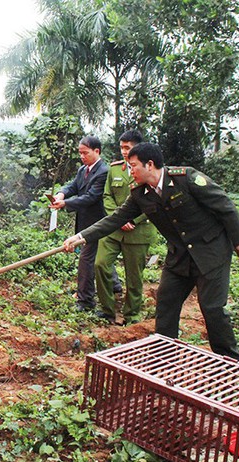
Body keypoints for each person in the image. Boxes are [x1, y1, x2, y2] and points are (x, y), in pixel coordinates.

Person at [63, 142, 239, 360]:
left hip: (211, 252)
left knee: (212, 308)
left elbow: (224, 205)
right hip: (179, 256)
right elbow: (115, 219)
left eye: (133, 166)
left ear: (149, 165)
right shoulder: (140, 193)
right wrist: (81, 237)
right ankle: (164, 355)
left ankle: (230, 361)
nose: (130, 171)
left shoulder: (186, 178)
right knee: (166, 303)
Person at [94, 130, 157, 325]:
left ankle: (131, 315)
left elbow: (154, 201)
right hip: (114, 229)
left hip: (138, 232)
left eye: (127, 148)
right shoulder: (115, 170)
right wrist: (119, 218)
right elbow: (107, 196)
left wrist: (134, 220)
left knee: (134, 276)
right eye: (121, 147)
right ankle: (107, 310)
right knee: (100, 264)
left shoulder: (148, 170)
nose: (123, 151)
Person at [50, 136, 109, 312]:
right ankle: (114, 286)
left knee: (86, 259)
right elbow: (73, 186)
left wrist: (66, 203)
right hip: (84, 221)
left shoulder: (104, 172)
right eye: (80, 153)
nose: (82, 156)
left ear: (96, 151)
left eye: (85, 153)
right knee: (97, 258)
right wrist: (61, 194)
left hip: (97, 222)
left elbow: (91, 197)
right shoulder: (83, 170)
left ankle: (85, 300)